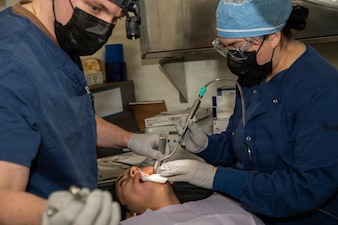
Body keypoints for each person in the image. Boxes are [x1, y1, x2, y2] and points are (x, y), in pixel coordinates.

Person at [158, 0, 338, 225]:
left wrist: (215, 178)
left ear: (273, 36)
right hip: (250, 212)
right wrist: (207, 146)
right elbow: (245, 150)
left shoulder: (322, 89)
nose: (233, 57)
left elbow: (304, 189)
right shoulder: (253, 76)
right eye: (225, 47)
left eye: (238, 47)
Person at [0, 0, 168, 224]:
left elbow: (71, 118)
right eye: (95, 8)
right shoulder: (11, 64)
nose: (102, 27)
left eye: (115, 18)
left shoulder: (60, 36)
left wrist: (130, 139)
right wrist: (53, 215)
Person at [114, 165, 265, 225]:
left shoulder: (224, 200)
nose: (134, 170)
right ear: (130, 216)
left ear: (170, 181)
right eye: (123, 182)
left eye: (139, 167)